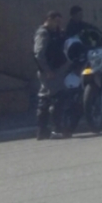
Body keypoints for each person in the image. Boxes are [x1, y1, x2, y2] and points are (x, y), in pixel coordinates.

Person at [33, 11, 68, 140]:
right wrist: (47, 70)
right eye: (57, 21)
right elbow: (39, 54)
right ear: (49, 19)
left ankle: (42, 131)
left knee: (45, 99)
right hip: (49, 71)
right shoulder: (43, 33)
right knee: (56, 98)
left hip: (55, 69)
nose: (58, 24)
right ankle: (56, 130)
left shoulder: (55, 33)